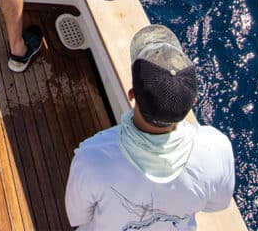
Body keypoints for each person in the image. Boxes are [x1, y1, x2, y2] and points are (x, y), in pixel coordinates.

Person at [64, 24, 236, 230]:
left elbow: (77, 217)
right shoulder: (217, 149)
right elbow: (218, 204)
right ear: (193, 101)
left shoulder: (91, 156)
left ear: (132, 94)